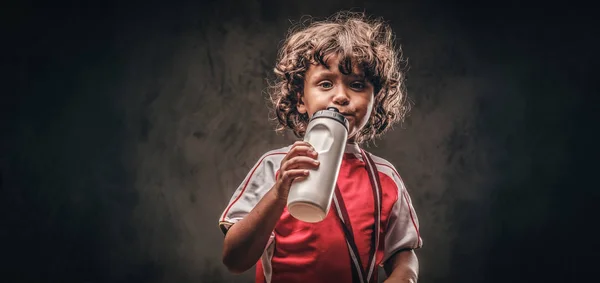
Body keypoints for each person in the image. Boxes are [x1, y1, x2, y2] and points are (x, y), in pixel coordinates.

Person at [218, 11, 422, 283]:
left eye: (357, 85)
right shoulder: (276, 166)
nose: (340, 96)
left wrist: (405, 276)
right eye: (325, 83)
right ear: (301, 99)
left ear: (376, 101)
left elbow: (403, 253)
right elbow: (234, 259)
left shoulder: (385, 177)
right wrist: (279, 193)